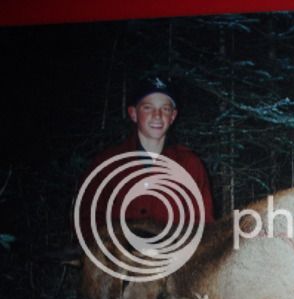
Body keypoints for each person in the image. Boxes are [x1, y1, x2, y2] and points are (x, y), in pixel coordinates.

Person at [77, 76, 214, 240]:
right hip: (118, 253)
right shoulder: (106, 164)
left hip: (173, 254)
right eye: (148, 108)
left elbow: (203, 226)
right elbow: (86, 221)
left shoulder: (190, 165)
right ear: (133, 113)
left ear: (173, 116)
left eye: (165, 109)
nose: (157, 115)